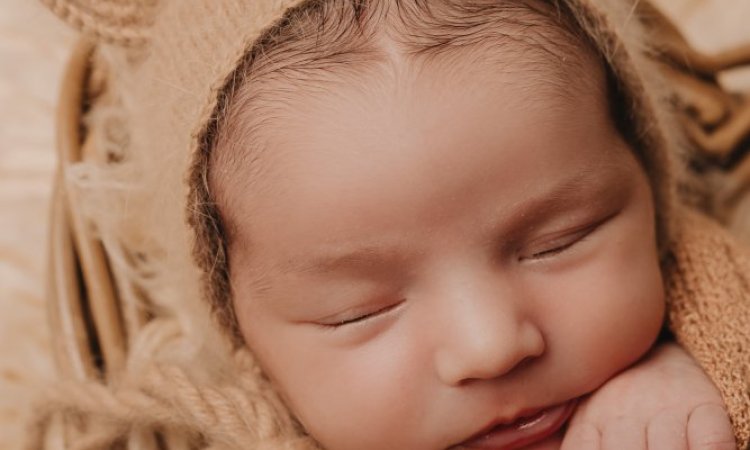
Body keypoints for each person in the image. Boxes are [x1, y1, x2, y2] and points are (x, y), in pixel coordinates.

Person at [29, 0, 750, 449]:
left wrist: (706, 372)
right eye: (360, 312)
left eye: (558, 243)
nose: (490, 345)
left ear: (650, 194)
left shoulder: (696, 333)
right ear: (243, 339)